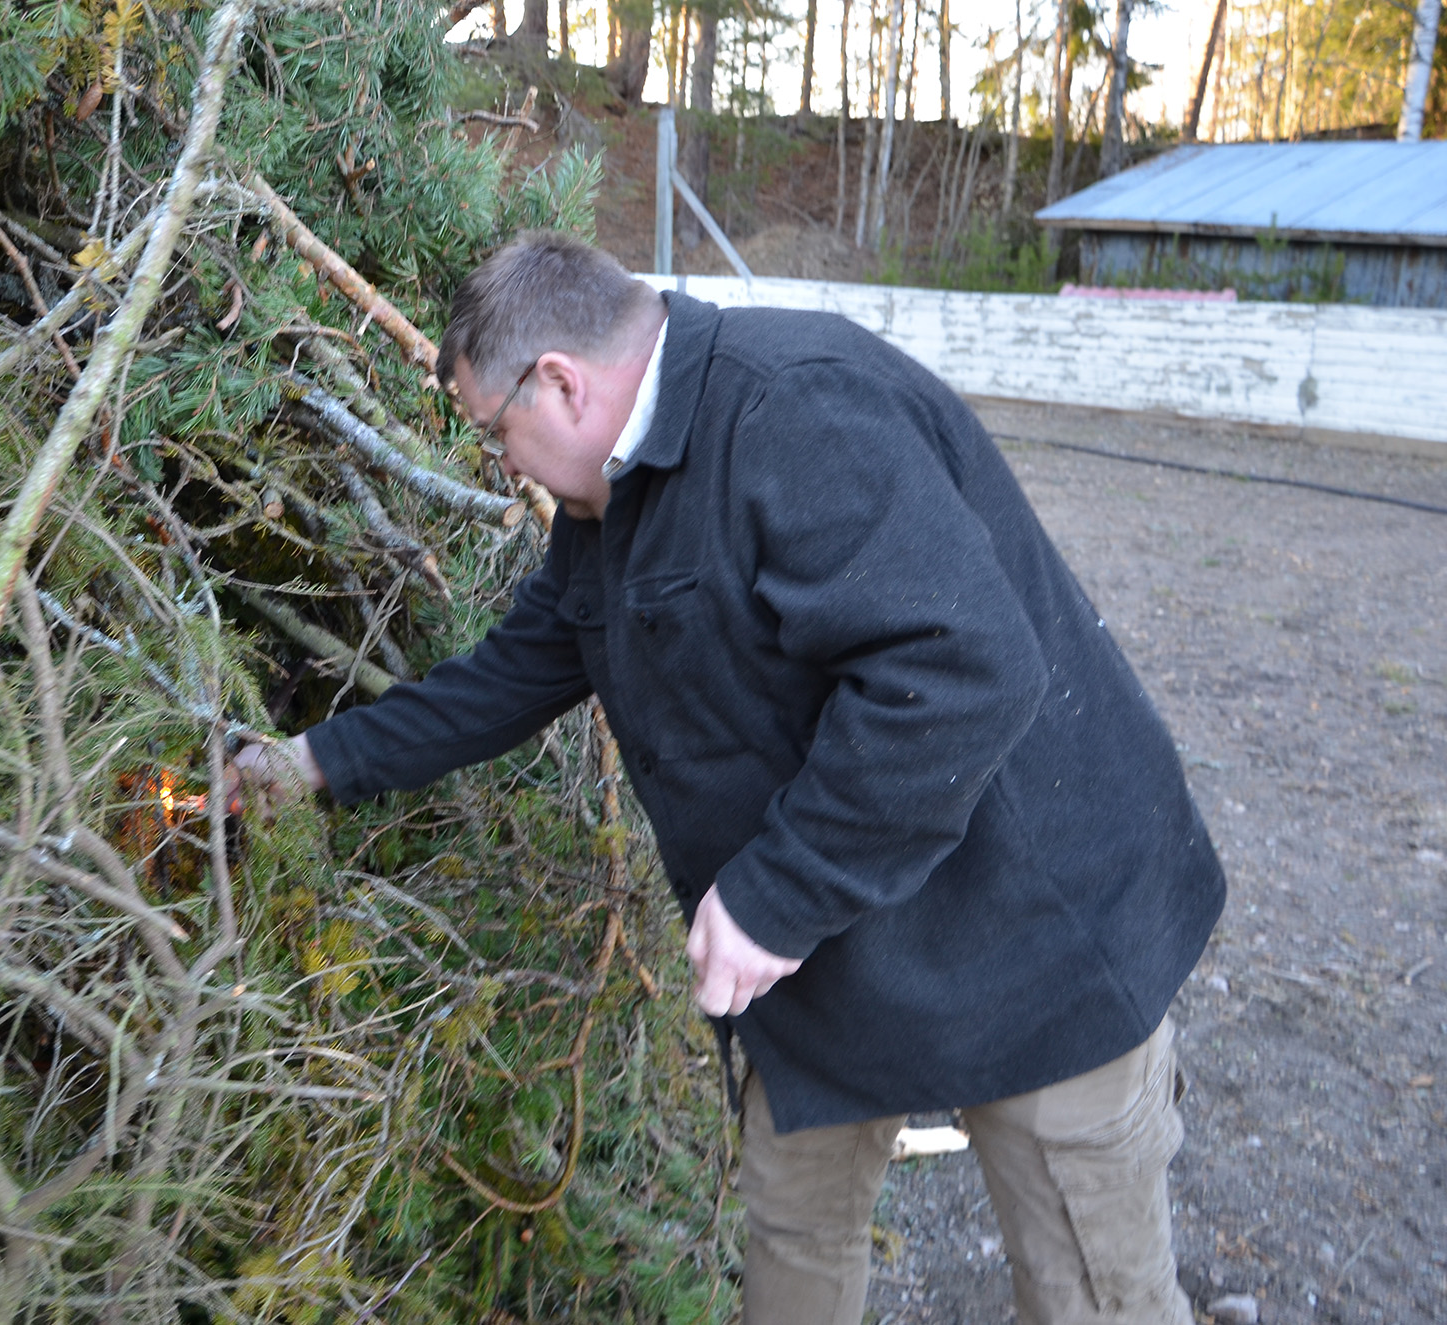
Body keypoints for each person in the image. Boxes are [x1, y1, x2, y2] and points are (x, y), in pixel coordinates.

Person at [228, 232, 1225, 1325]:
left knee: (1093, 1287)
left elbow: (962, 672)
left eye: (492, 432)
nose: (500, 464)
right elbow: (510, 675)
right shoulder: (612, 502)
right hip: (821, 972)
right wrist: (311, 762)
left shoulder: (798, 411)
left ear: (559, 382)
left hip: (1032, 931)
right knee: (793, 1242)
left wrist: (773, 896)